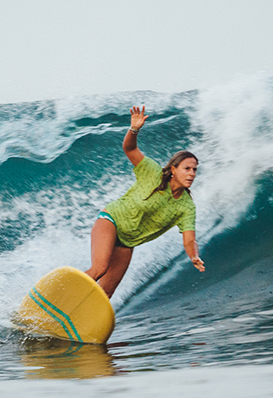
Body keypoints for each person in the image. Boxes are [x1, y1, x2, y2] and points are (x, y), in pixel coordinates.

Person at [85, 106, 205, 297]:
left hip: (127, 242)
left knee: (106, 293)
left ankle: (75, 321)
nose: (192, 173)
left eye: (195, 170)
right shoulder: (152, 171)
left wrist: (194, 255)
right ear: (173, 169)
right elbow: (129, 148)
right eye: (187, 168)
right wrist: (134, 129)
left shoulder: (186, 207)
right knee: (99, 269)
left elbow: (189, 239)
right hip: (111, 221)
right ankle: (58, 298)